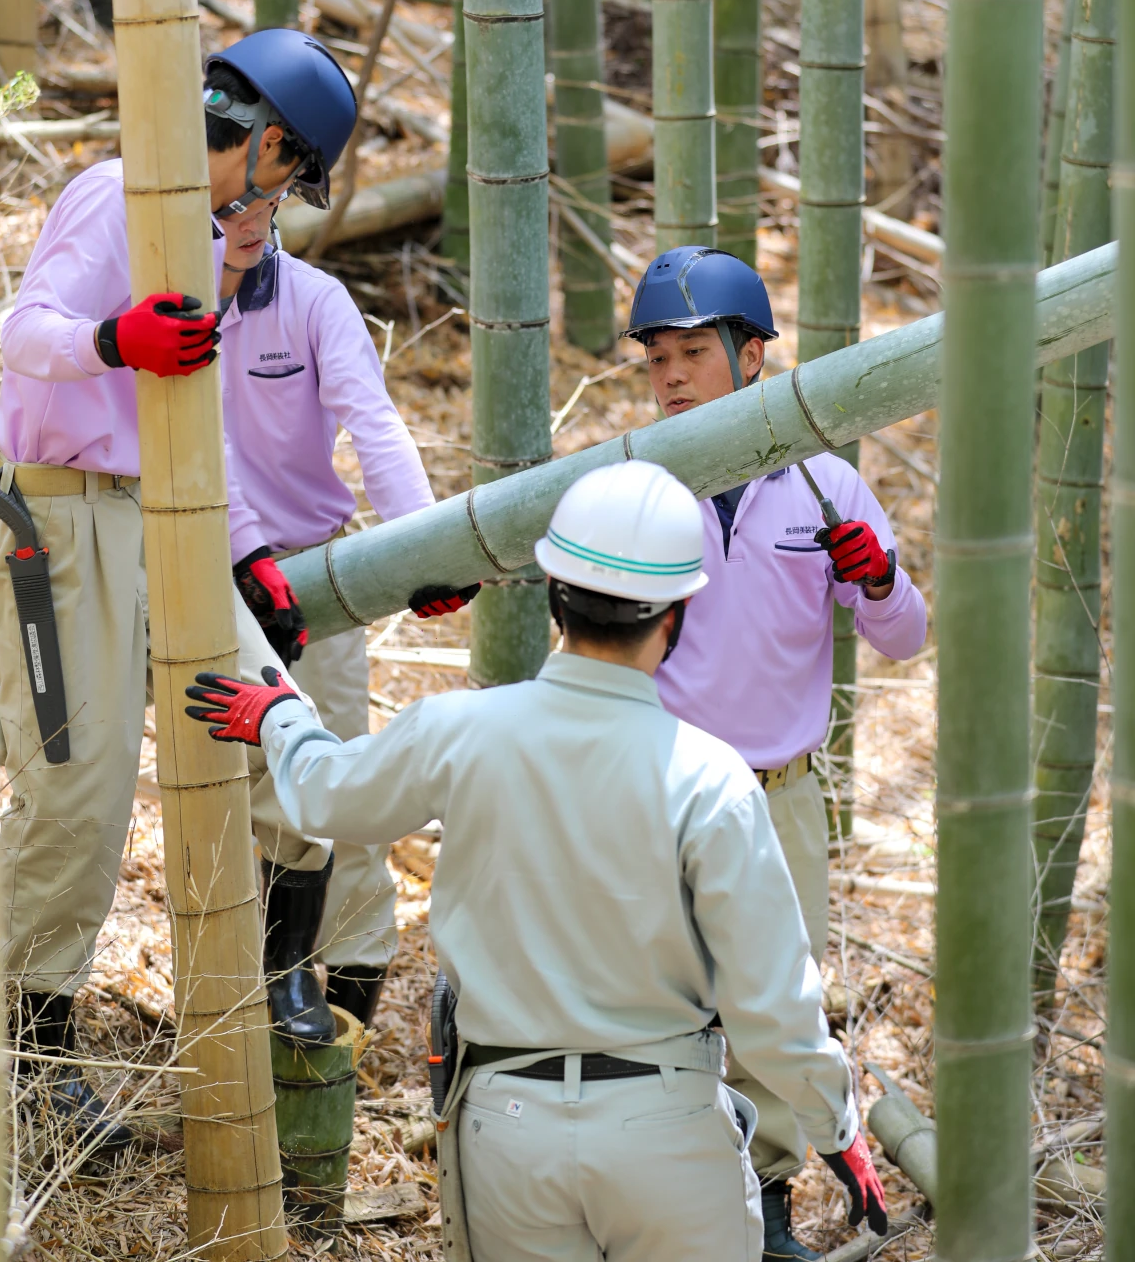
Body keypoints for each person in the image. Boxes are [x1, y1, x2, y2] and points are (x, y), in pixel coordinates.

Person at [185, 460, 890, 1262]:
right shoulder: (711, 778)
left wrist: (281, 718)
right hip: (667, 1133)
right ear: (678, 615)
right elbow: (771, 1006)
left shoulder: (459, 729)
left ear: (554, 595)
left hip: (506, 1131)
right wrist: (835, 1127)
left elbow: (326, 797)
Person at [0, 29, 357, 1148]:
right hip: (62, 518)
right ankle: (27, 1057)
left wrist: (245, 553)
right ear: (272, 143)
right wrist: (114, 337)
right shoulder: (116, 196)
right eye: (293, 171)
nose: (282, 197)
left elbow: (194, 428)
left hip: (167, 521)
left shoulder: (204, 240)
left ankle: (284, 981)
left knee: (287, 737)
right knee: (80, 792)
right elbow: (27, 336)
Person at [622, 245, 927, 1260]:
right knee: (659, 995)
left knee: (771, 1003)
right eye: (655, 356)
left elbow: (904, 637)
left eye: (692, 352)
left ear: (751, 356)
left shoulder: (824, 481)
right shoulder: (631, 480)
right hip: (657, 790)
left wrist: (877, 579)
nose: (669, 375)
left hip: (778, 793)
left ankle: (769, 1208)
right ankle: (657, 1203)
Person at [208, 45, 476, 1040]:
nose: (237, 221)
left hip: (314, 587)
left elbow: (376, 424)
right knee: (219, 794)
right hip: (202, 577)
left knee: (335, 793)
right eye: (223, 203)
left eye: (258, 203)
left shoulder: (315, 305)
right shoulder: (164, 286)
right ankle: (229, 997)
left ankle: (346, 994)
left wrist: (420, 548)